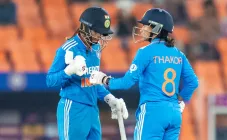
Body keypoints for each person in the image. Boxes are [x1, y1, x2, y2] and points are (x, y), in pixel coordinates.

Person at [90, 8, 199, 140]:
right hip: (174, 114)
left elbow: (126, 83)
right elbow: (193, 82)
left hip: (152, 112)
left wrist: (105, 80)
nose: (142, 29)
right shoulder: (178, 54)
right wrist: (180, 103)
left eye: (146, 26)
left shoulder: (146, 52)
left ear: (156, 28)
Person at [46, 7, 128, 140]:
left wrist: (109, 98)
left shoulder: (96, 49)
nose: (100, 36)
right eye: (97, 32)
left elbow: (91, 81)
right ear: (85, 28)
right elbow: (50, 80)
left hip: (92, 110)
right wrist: (69, 71)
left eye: (102, 33)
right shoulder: (67, 49)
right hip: (73, 108)